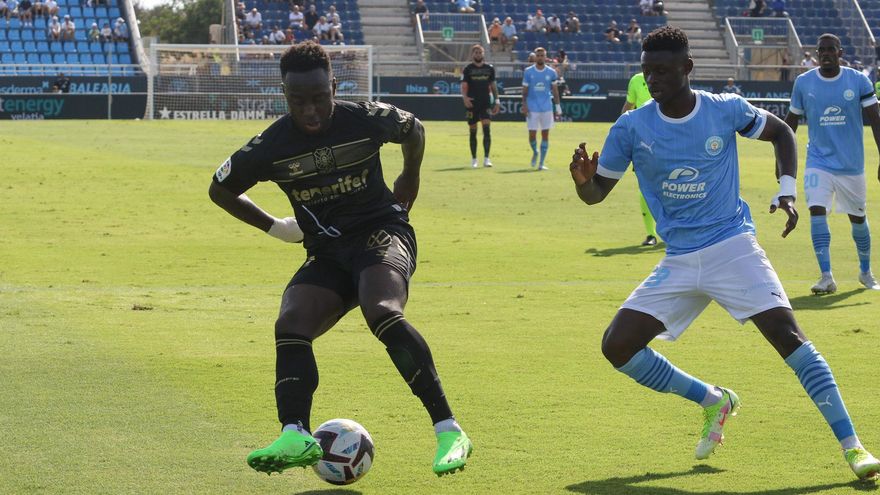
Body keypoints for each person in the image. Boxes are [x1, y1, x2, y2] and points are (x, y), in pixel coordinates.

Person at [568, 25, 880, 482]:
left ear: (687, 68)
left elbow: (781, 135)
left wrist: (788, 191)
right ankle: (713, 400)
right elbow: (597, 195)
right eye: (646, 71)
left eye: (663, 70)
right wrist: (582, 181)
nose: (652, 80)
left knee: (789, 338)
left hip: (733, 246)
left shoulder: (724, 109)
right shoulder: (631, 127)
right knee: (617, 346)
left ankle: (854, 447)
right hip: (678, 258)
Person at [207, 41, 473, 478]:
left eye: (319, 98)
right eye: (298, 101)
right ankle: (295, 432)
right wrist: (276, 227)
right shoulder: (272, 145)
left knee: (381, 311)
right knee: (291, 323)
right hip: (327, 250)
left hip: (381, 234)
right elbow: (220, 189)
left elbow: (415, 130)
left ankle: (449, 430)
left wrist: (410, 176)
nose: (310, 110)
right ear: (284, 95)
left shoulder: (366, 118)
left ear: (334, 86)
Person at [783, 34, 880, 294]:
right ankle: (826, 276)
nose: (825, 53)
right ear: (816, 53)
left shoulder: (858, 80)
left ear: (840, 52)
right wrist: (782, 160)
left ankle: (865, 271)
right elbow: (789, 125)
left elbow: (876, 121)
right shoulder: (804, 83)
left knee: (857, 218)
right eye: (821, 50)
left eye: (830, 49)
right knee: (816, 211)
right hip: (818, 161)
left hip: (851, 165)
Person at [621, 71, 660, 246]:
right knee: (645, 188)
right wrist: (620, 130)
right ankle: (651, 234)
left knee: (673, 186)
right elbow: (629, 105)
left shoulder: (667, 76)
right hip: (642, 141)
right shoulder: (636, 80)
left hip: (667, 139)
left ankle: (671, 230)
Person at [522, 47, 562, 170]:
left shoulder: (551, 72)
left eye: (542, 55)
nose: (540, 57)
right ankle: (535, 151)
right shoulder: (528, 72)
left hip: (546, 108)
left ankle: (541, 163)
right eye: (538, 55)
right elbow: (525, 91)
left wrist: (558, 106)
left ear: (545, 57)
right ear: (535, 57)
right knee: (532, 135)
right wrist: (524, 104)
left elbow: (555, 91)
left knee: (545, 134)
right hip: (532, 107)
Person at [461, 44, 500, 168]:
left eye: (480, 52)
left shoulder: (489, 69)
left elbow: (493, 85)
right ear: (473, 54)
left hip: (485, 103)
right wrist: (465, 98)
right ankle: (474, 159)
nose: (478, 54)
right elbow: (464, 86)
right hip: (472, 103)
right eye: (476, 52)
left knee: (487, 130)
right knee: (473, 131)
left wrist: (497, 100)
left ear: (483, 54)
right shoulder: (468, 69)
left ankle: (487, 158)